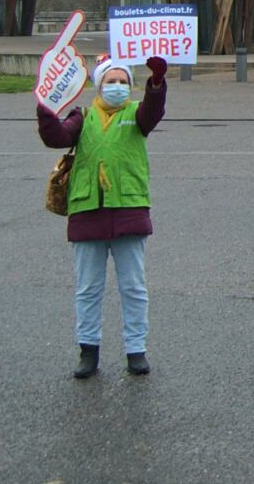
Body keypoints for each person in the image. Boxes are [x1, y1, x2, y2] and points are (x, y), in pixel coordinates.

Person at [37, 55, 168, 379]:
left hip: (128, 210)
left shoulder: (136, 114)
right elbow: (57, 137)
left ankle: (136, 349)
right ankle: (88, 350)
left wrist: (156, 83)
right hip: (87, 212)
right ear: (99, 85)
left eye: (123, 81)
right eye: (111, 81)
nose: (118, 87)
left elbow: (153, 112)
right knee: (87, 288)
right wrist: (46, 109)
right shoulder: (82, 116)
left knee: (134, 287)